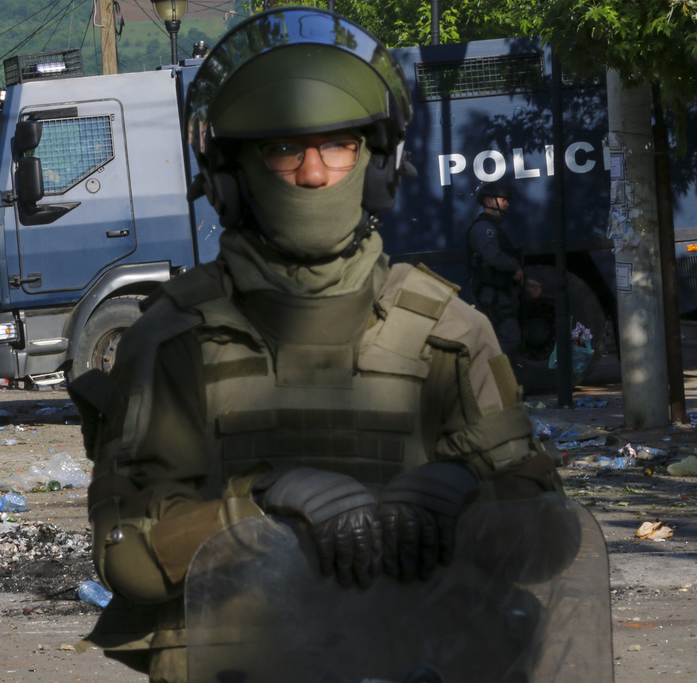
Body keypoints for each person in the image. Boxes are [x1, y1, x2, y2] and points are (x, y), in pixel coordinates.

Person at [69, 8, 571, 682]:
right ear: (229, 173)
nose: (312, 173)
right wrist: (255, 506)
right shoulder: (175, 339)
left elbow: (551, 541)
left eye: (337, 145)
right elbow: (125, 554)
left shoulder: (449, 333)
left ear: (378, 164)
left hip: (418, 659)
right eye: (283, 148)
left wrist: (468, 497)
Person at [466, 181, 523, 359]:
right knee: (509, 338)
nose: (507, 203)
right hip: (491, 295)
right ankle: (488, 374)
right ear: (489, 202)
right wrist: (514, 266)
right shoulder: (485, 227)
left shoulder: (493, 226)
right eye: (503, 199)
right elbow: (493, 256)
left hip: (497, 292)